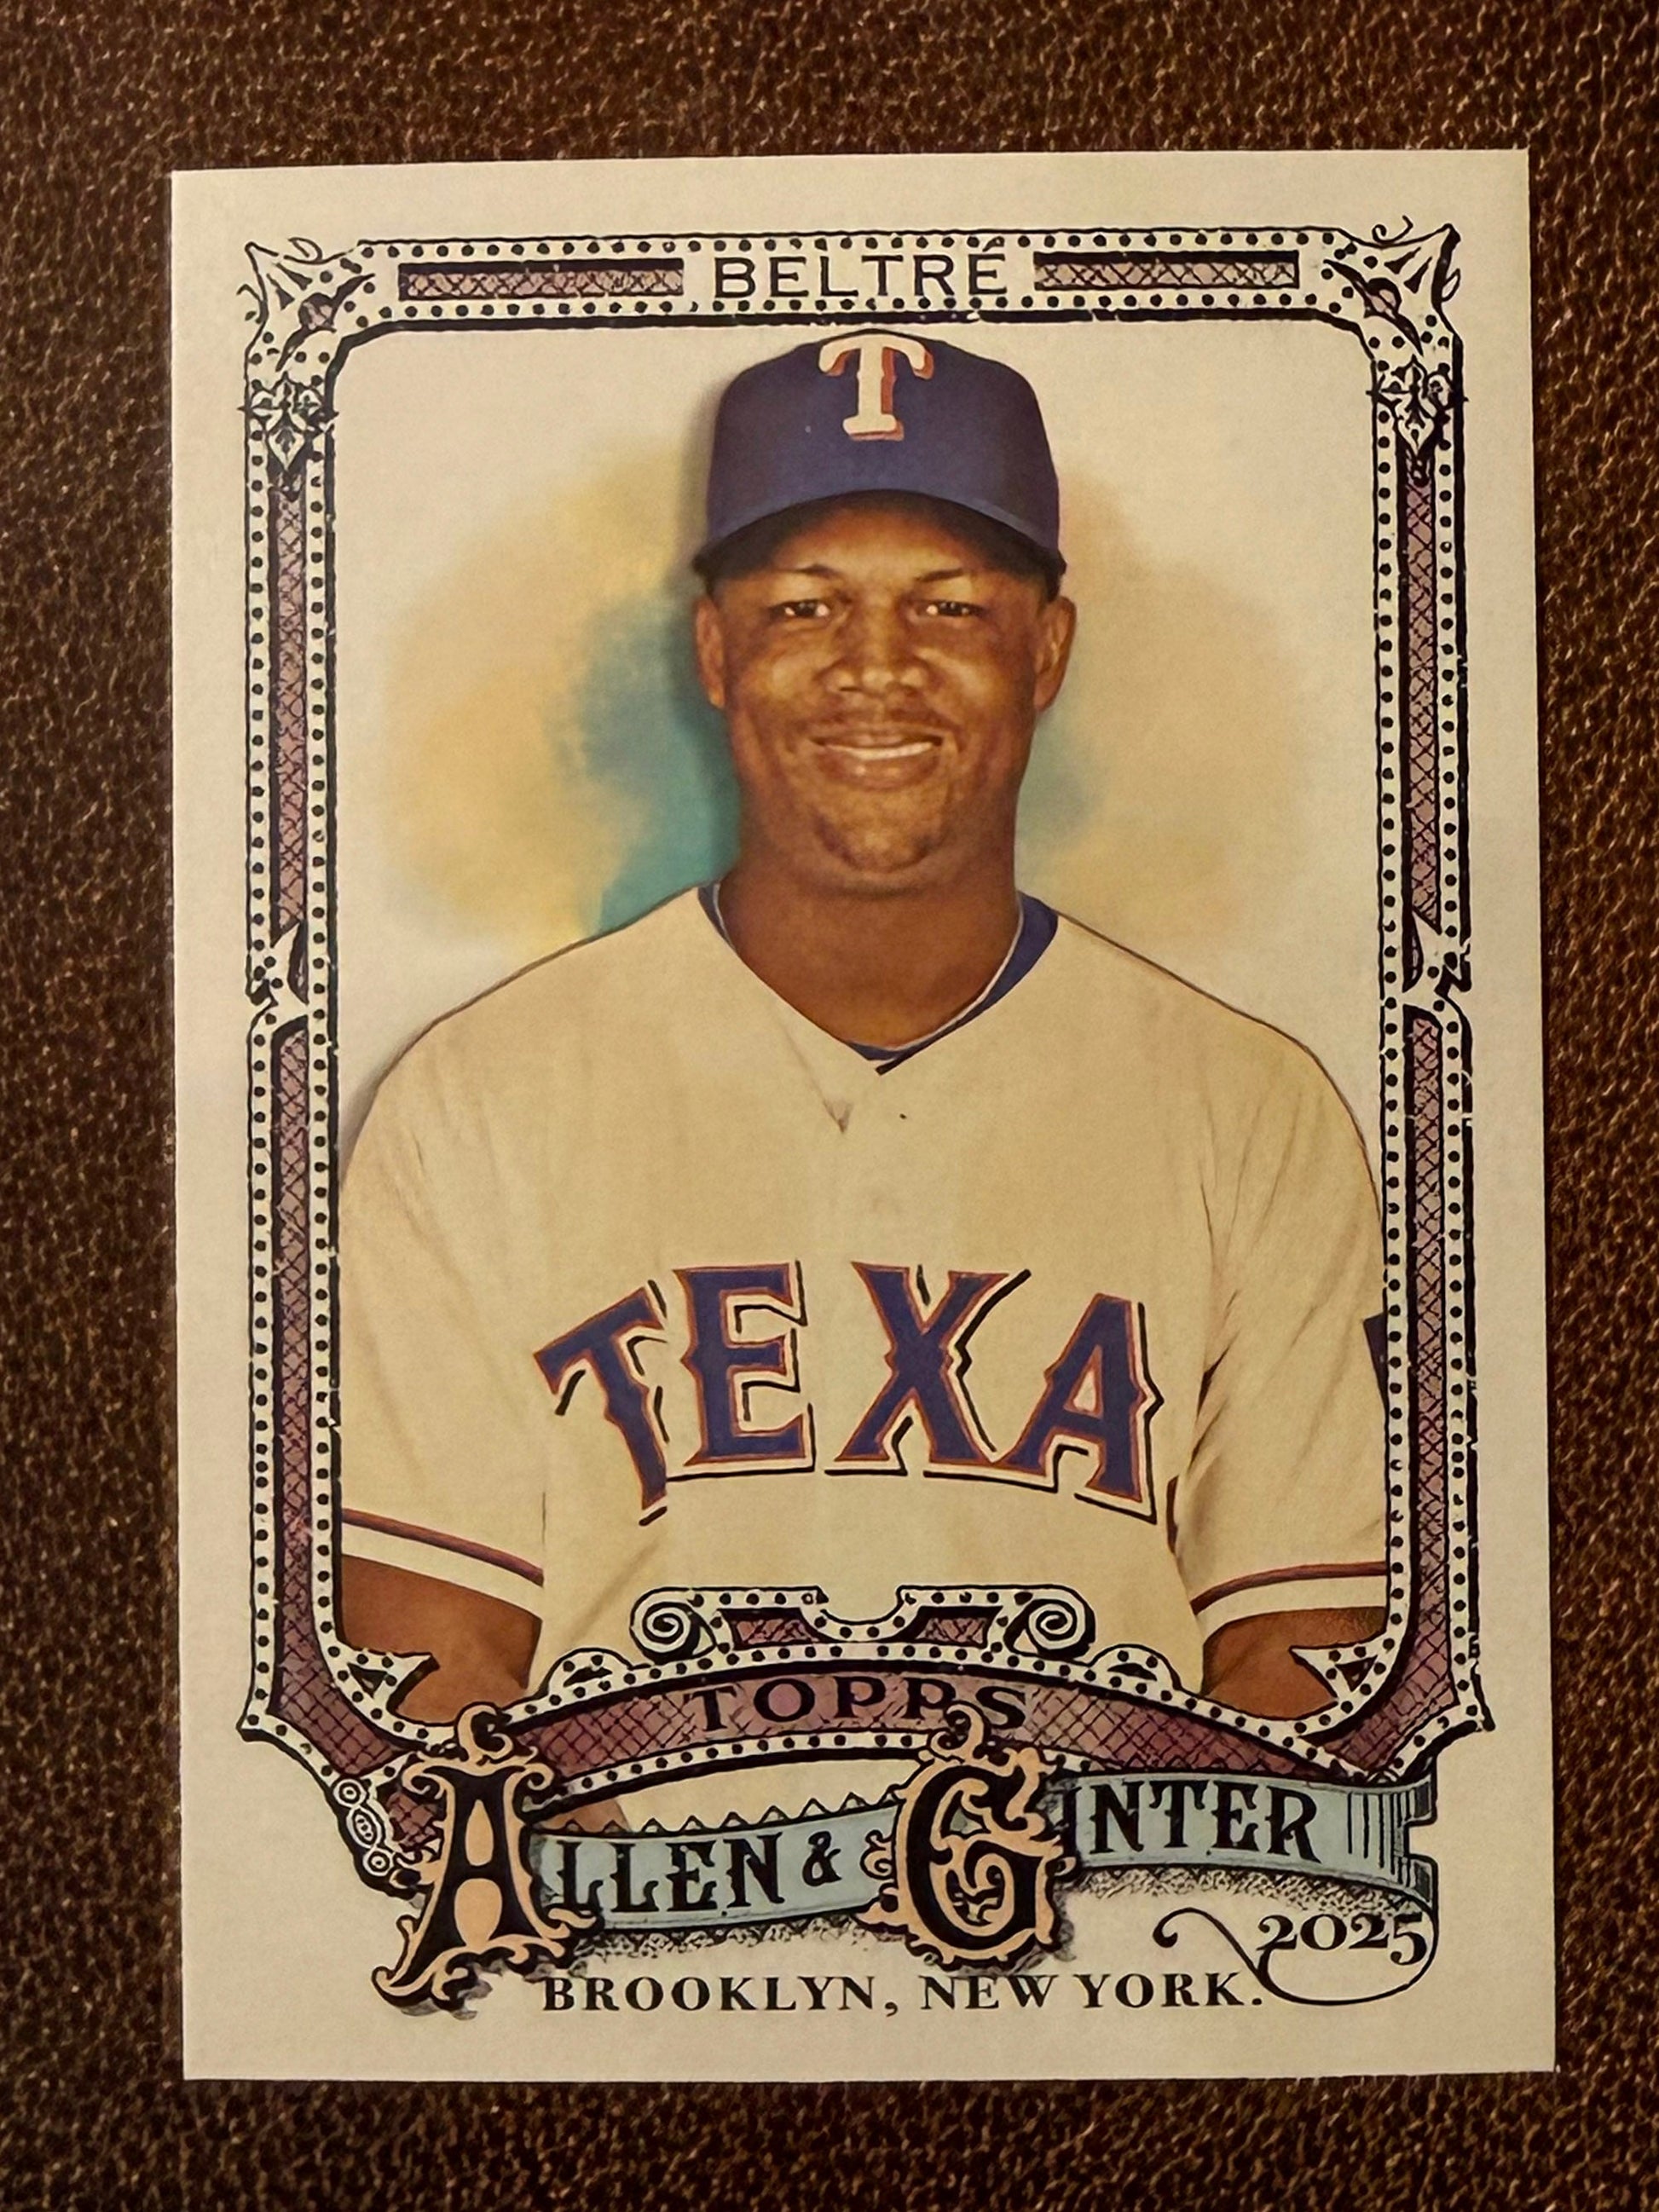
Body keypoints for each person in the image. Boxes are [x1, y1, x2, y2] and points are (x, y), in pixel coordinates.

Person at [338, 330, 1385, 1747]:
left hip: (1111, 1883)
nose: (875, 668)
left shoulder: (1249, 1109)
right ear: (715, 652)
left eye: (948, 607)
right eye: (803, 607)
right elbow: (424, 1658)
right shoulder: (477, 1096)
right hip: (626, 1886)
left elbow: (1302, 1662)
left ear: (1046, 650)